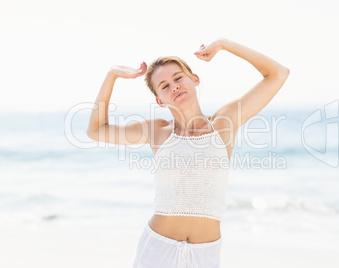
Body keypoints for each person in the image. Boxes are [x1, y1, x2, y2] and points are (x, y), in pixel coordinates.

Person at [87, 38, 290, 268]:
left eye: (178, 78)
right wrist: (111, 75)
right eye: (164, 86)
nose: (173, 86)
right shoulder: (157, 131)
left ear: (194, 79)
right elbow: (95, 130)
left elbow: (278, 74)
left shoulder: (225, 122)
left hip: (205, 255)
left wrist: (224, 44)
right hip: (157, 250)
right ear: (159, 100)